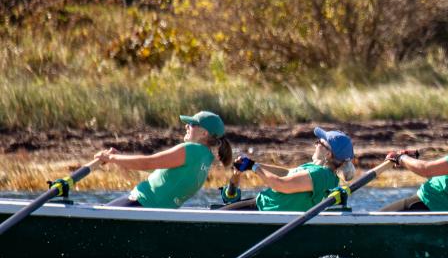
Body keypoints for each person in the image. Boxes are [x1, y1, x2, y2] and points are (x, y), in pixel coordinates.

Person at [97, 111, 232, 208]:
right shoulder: (206, 157)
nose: (186, 126)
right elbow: (159, 173)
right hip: (153, 209)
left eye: (192, 124)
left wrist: (111, 157)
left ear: (204, 133)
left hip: (140, 203)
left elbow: (147, 163)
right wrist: (120, 158)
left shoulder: (192, 149)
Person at [220, 128, 356, 211]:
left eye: (320, 142)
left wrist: (254, 168)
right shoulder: (318, 170)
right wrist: (254, 164)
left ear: (328, 154)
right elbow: (287, 173)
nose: (315, 144)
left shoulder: (320, 175)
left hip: (265, 210)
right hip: (263, 204)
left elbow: (281, 185)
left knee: (219, 216)